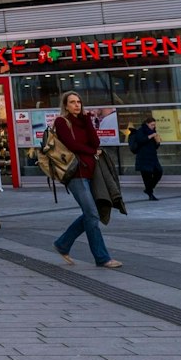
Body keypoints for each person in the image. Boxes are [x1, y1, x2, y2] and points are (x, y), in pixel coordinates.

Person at [50, 91, 120, 268]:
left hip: (91, 173)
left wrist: (88, 121)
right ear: (65, 105)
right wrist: (91, 152)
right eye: (72, 102)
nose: (76, 105)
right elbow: (71, 145)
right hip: (75, 174)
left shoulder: (84, 121)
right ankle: (102, 258)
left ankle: (63, 243)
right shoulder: (61, 121)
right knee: (92, 214)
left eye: (79, 102)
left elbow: (95, 142)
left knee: (91, 213)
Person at [130, 116, 164, 200]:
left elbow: (155, 146)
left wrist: (158, 142)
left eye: (154, 125)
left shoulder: (153, 131)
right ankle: (150, 194)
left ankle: (148, 189)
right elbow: (140, 140)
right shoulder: (141, 131)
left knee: (159, 172)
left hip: (152, 156)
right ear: (147, 124)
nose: (153, 126)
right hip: (143, 157)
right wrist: (151, 136)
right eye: (152, 125)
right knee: (147, 177)